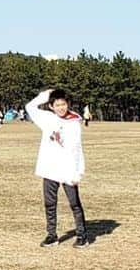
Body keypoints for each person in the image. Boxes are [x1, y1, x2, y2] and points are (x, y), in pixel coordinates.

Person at [25, 87, 93, 248]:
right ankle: (51, 235)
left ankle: (82, 235)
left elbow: (76, 149)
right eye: (57, 105)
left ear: (67, 104)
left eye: (63, 104)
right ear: (51, 106)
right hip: (50, 167)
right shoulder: (46, 118)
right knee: (50, 203)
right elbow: (29, 107)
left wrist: (78, 171)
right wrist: (45, 95)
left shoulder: (73, 121)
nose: (61, 108)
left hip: (67, 168)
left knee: (74, 203)